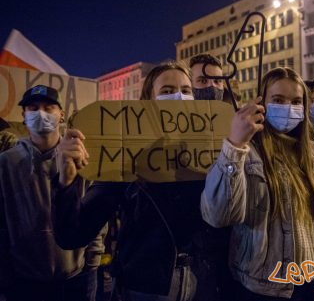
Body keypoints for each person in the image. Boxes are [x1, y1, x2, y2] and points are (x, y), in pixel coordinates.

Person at [53, 61, 227, 301]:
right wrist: (66, 183)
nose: (178, 97)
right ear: (148, 102)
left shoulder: (213, 154)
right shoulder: (124, 158)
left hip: (203, 284)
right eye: (167, 91)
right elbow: (73, 234)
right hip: (144, 286)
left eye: (186, 91)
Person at [201, 67, 314, 300]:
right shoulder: (248, 153)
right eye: (278, 100)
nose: (288, 108)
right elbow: (219, 215)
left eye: (296, 101)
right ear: (262, 103)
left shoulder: (308, 156)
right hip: (266, 288)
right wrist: (235, 145)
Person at [0, 85, 105, 301]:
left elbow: (95, 218)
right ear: (23, 115)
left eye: (49, 108)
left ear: (61, 114)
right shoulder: (5, 163)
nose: (41, 114)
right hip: (24, 283)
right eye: (33, 108)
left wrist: (92, 266)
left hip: (76, 279)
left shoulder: (81, 157)